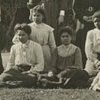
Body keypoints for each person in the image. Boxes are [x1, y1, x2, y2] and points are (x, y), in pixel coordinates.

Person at [0, 23, 44, 87]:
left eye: (23, 35)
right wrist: (6, 72)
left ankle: (10, 84)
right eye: (19, 35)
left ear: (28, 35)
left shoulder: (36, 46)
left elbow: (41, 64)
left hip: (30, 70)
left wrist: (30, 71)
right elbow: (10, 62)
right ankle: (15, 83)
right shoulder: (14, 47)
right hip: (16, 70)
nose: (21, 37)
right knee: (2, 77)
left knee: (31, 79)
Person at [28, 5, 56, 73]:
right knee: (34, 70)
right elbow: (19, 39)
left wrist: (54, 57)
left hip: (45, 51)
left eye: (38, 15)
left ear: (43, 16)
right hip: (33, 50)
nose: (36, 17)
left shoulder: (48, 28)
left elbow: (52, 44)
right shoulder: (28, 27)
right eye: (34, 15)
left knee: (45, 70)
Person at [73, 0, 100, 67]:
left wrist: (95, 16)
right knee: (83, 43)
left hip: (97, 22)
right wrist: (82, 17)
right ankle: (84, 64)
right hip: (83, 23)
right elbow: (76, 8)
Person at [85, 11, 100, 77]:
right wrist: (96, 61)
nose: (97, 23)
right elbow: (88, 50)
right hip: (94, 58)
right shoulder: (91, 33)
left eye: (99, 21)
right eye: (95, 21)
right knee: (89, 73)